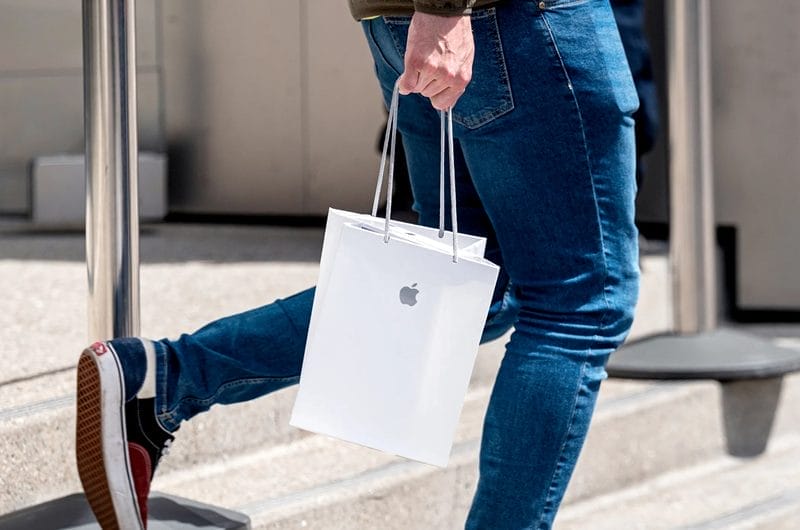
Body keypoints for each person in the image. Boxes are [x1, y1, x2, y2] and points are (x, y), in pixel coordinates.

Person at [75, 0, 640, 528]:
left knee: (472, 281)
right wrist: (444, 8)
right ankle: (173, 377)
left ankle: (166, 379)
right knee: (580, 307)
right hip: (510, 21)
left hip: (412, 20)